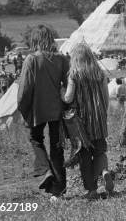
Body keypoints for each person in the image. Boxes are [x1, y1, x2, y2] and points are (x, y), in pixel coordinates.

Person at [17, 24, 69, 199]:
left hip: (37, 109)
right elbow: (68, 86)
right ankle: (58, 191)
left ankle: (46, 171)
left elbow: (24, 89)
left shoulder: (31, 59)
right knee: (57, 147)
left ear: (36, 40)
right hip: (56, 109)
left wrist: (23, 108)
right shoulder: (62, 59)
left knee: (35, 139)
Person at [62, 43, 113, 200]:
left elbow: (68, 98)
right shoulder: (99, 73)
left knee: (84, 156)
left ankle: (91, 190)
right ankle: (104, 171)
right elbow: (106, 97)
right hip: (98, 120)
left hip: (81, 124)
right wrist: (102, 114)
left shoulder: (74, 75)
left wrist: (60, 91)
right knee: (100, 151)